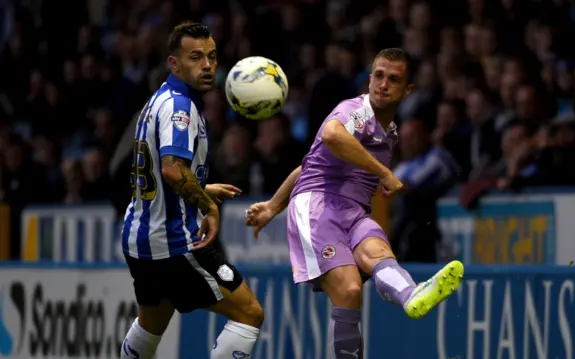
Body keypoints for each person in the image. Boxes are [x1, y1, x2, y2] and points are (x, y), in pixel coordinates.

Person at [245, 48, 464, 359]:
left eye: (393, 79)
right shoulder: (354, 110)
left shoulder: (389, 134)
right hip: (318, 206)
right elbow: (333, 135)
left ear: (407, 90)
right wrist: (383, 172)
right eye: (378, 75)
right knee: (349, 290)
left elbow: (308, 162)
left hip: (355, 211)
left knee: (379, 253)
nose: (383, 84)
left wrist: (270, 206)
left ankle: (412, 295)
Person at [120, 22, 263, 359]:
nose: (207, 65)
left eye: (212, 57)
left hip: (140, 238)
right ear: (174, 63)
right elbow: (172, 169)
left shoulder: (159, 100)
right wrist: (208, 206)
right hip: (173, 241)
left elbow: (160, 168)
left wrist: (201, 186)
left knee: (151, 323)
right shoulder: (180, 107)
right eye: (196, 57)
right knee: (250, 313)